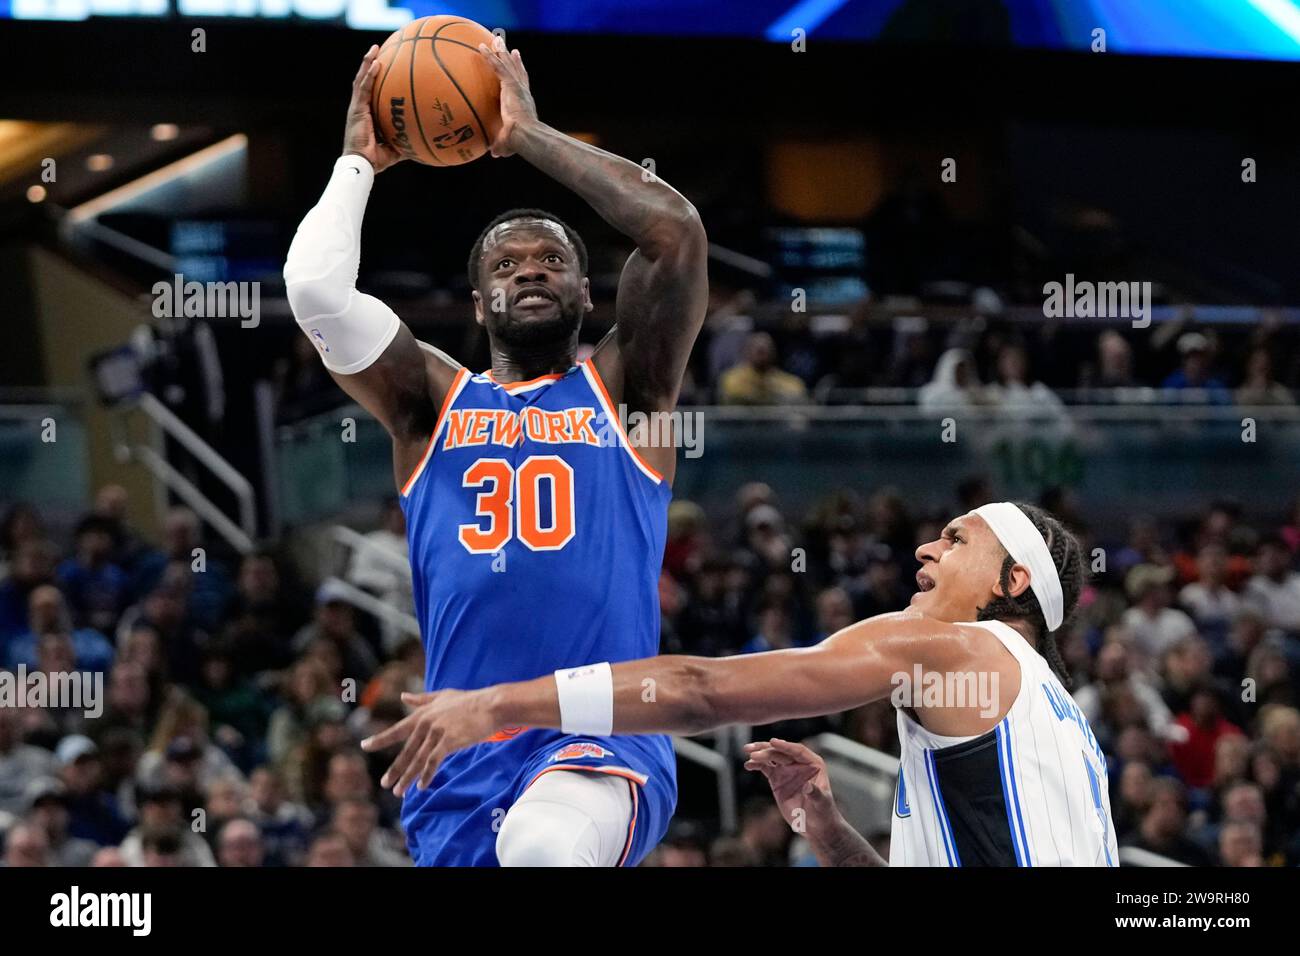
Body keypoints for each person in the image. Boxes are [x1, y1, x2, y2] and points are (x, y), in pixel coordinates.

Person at [283, 38, 707, 867]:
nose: (532, 272)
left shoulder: (630, 391)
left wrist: (528, 136)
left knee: (543, 847)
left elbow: (676, 234)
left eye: (553, 260)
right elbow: (316, 292)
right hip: (458, 755)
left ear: (588, 293)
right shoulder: (429, 402)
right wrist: (357, 164)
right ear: (480, 304)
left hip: (603, 732)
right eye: (507, 265)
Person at [365, 501, 1119, 866]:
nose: (927, 545)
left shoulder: (955, 651)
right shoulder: (1066, 728)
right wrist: (828, 831)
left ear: (1013, 580)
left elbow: (700, 691)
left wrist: (500, 702)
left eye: (956, 540)